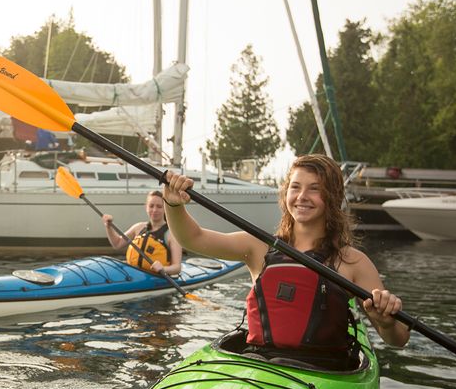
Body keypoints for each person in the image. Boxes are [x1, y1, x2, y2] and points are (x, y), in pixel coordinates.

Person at [162, 154, 409, 366]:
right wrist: (173, 205)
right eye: (295, 187)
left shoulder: (353, 262)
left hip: (324, 373)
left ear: (332, 197)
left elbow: (398, 339)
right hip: (261, 367)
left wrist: (385, 323)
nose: (302, 196)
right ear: (286, 192)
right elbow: (192, 238)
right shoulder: (257, 247)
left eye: (315, 188)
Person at [103, 190, 183, 276]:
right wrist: (109, 227)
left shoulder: (172, 234)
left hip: (156, 279)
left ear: (165, 209)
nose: (154, 210)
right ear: (146, 207)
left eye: (159, 206)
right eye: (151, 206)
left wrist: (163, 269)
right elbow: (117, 244)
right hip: (133, 276)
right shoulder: (138, 227)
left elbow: (177, 267)